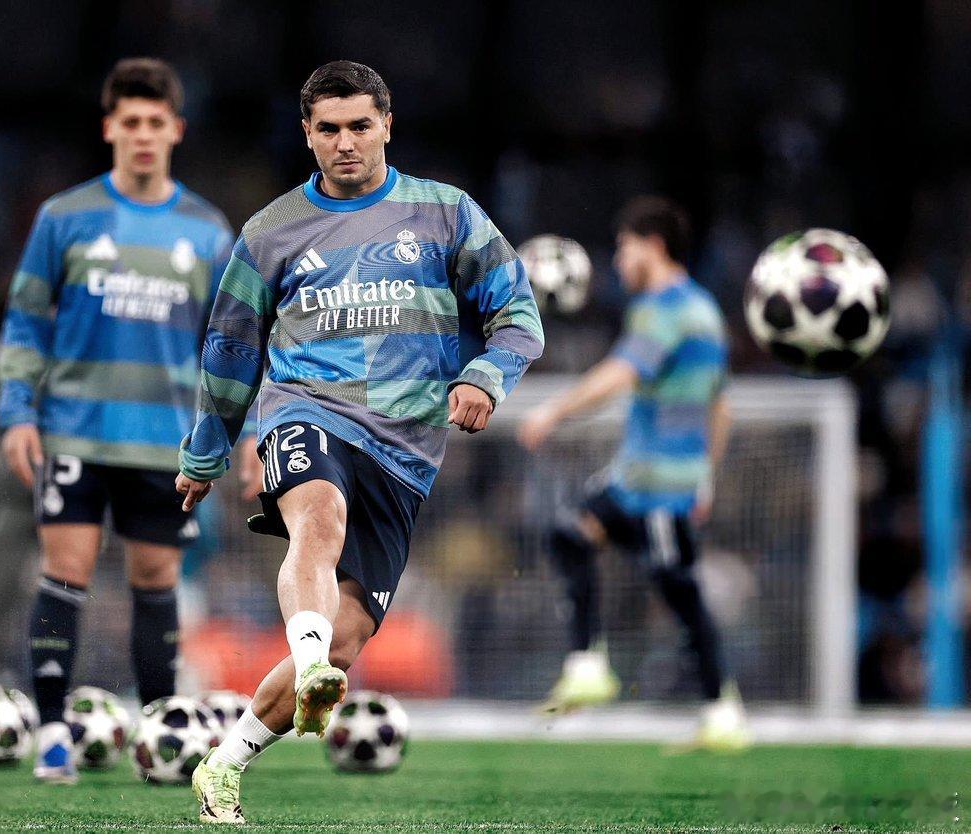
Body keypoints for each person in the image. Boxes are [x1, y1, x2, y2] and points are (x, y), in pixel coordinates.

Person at [175, 60, 544, 824]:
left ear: (386, 125)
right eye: (328, 130)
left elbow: (518, 314)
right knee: (319, 517)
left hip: (406, 452)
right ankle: (309, 665)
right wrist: (207, 453)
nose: (346, 143)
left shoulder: (448, 214)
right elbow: (230, 350)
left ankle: (225, 761)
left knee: (346, 644)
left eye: (359, 126)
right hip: (306, 411)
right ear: (307, 136)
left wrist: (483, 375)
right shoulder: (269, 232)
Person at [0, 57, 234, 784]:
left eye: (154, 123)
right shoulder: (63, 217)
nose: (141, 134)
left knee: (156, 579)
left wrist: (231, 432)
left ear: (176, 131)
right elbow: (26, 321)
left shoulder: (206, 228)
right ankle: (51, 736)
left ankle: (161, 733)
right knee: (63, 573)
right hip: (73, 429)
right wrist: (16, 411)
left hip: (164, 442)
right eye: (128, 122)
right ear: (109, 128)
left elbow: (226, 346)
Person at [517, 196, 750, 751]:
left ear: (652, 246)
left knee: (679, 591)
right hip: (637, 480)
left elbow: (621, 373)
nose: (618, 263)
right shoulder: (705, 312)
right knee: (570, 534)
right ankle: (588, 665)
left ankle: (722, 710)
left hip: (663, 488)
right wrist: (709, 477)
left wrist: (554, 411)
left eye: (623, 249)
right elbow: (723, 406)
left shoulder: (666, 309)